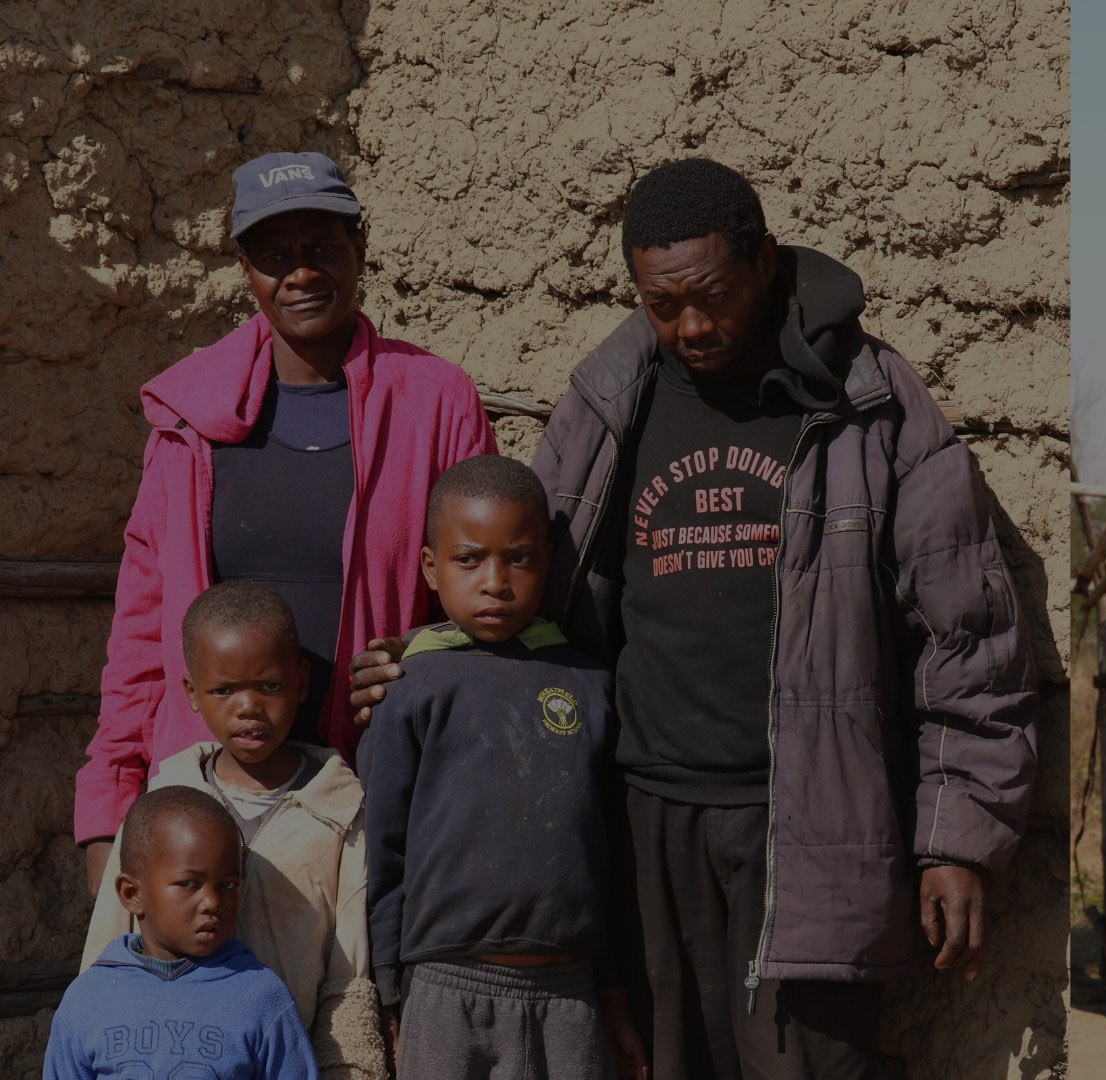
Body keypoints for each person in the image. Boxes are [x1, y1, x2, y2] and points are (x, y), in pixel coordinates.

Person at [349, 158, 1038, 1078]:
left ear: (763, 260)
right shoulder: (609, 400)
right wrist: (422, 658)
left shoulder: (870, 403)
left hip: (809, 827)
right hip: (641, 827)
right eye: (663, 305)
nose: (693, 327)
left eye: (712, 296)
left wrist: (958, 837)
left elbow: (969, 637)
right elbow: (523, 592)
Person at [75, 151, 497, 895]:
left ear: (359, 251)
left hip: (370, 788)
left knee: (350, 1006)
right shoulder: (190, 421)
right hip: (205, 806)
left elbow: (488, 588)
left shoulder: (434, 403)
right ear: (246, 271)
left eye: (321, 248)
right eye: (274, 256)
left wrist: (418, 651)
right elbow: (142, 634)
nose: (300, 273)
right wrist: (109, 810)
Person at [356, 456, 643, 1080]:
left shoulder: (588, 684)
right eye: (468, 559)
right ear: (431, 566)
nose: (495, 581)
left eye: (520, 557)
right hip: (443, 989)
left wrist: (614, 991)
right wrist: (388, 988)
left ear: (548, 561)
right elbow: (382, 851)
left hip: (571, 993)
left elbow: (610, 857)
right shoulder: (408, 689)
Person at [78, 581, 385, 1079]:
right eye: (223, 690)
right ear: (192, 695)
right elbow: (106, 954)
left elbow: (348, 974)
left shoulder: (337, 810)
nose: (248, 707)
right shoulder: (162, 803)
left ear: (302, 682)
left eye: (268, 686)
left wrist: (346, 1069)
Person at [44, 787, 321, 1079]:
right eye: (189, 884)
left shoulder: (262, 997)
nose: (213, 902)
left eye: (227, 885)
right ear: (132, 893)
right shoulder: (88, 999)